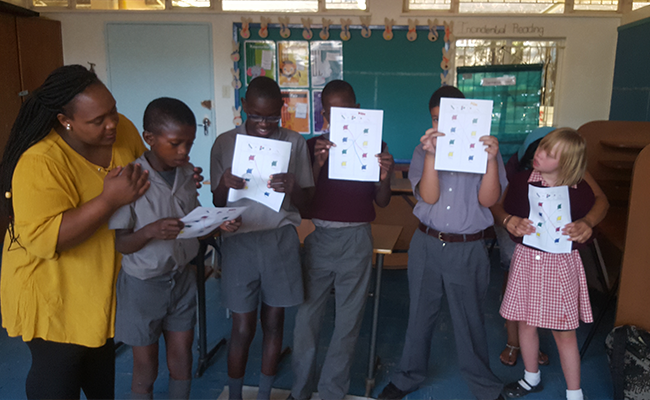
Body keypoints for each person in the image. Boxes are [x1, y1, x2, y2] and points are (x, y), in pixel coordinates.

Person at [0, 65, 150, 399]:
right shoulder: (41, 161)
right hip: (54, 292)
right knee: (59, 378)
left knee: (100, 380)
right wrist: (108, 200)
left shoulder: (122, 130)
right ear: (65, 120)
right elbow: (45, 239)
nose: (112, 123)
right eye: (98, 121)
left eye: (112, 110)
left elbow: (144, 172)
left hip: (101, 285)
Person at [108, 98, 241, 399]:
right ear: (149, 139)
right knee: (146, 367)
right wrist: (151, 231)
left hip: (183, 279)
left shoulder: (186, 173)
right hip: (143, 285)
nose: (184, 151)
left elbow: (192, 221)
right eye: (175, 143)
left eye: (189, 143)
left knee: (182, 358)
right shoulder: (129, 178)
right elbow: (122, 243)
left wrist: (218, 224)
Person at [378, 86, 505, 400]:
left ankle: (483, 385)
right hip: (427, 244)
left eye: (449, 118)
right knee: (420, 315)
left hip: (468, 247)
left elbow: (489, 199)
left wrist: (490, 161)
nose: (442, 125)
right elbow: (430, 196)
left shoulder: (486, 151)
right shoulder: (424, 152)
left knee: (470, 319)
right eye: (436, 118)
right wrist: (433, 155)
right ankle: (408, 376)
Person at [210, 76, 314, 400]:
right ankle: (238, 394)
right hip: (239, 241)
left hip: (279, 239)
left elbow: (308, 203)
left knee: (274, 320)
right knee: (242, 327)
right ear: (244, 108)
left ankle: (266, 393)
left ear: (281, 111)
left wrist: (293, 186)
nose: (265, 124)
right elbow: (216, 201)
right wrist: (226, 183)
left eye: (272, 116)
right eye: (256, 116)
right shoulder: (225, 143)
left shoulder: (295, 143)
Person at [289, 80, 394, 400]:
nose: (342, 116)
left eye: (348, 109)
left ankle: (332, 390)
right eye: (334, 112)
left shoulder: (377, 145)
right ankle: (300, 388)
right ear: (325, 115)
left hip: (358, 239)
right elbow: (304, 205)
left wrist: (384, 176)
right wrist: (318, 166)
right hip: (320, 238)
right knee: (307, 316)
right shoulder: (312, 147)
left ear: (357, 109)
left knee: (349, 320)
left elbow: (383, 201)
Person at [496, 128, 600, 400]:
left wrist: (586, 225)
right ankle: (531, 377)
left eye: (548, 153)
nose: (538, 154)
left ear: (566, 163)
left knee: (564, 332)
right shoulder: (521, 182)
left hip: (561, 264)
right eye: (541, 147)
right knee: (526, 323)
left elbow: (599, 207)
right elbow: (499, 207)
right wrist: (509, 220)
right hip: (527, 259)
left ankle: (574, 392)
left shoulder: (579, 190)